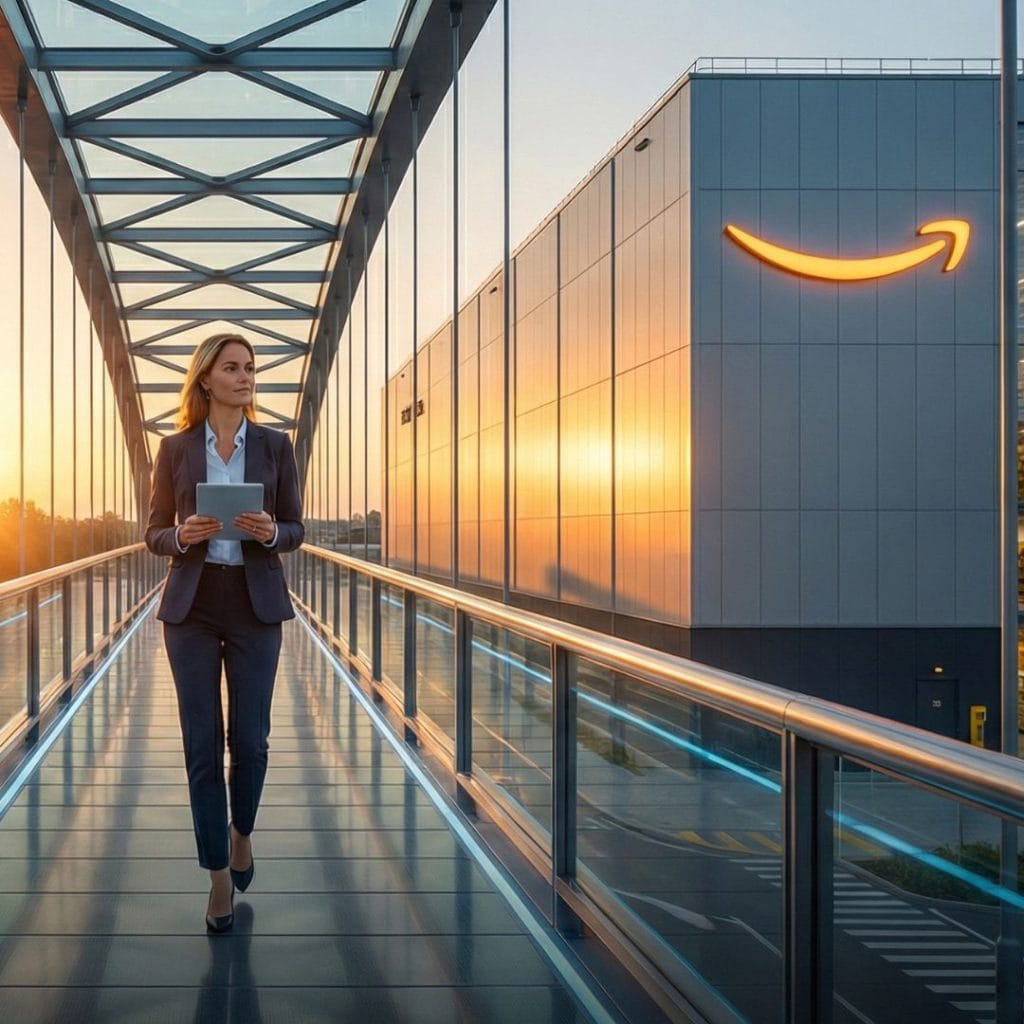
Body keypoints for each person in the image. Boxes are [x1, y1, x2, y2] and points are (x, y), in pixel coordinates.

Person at [145, 332, 304, 933]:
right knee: (201, 746)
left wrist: (269, 532)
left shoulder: (275, 446)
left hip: (254, 604)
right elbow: (154, 531)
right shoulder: (176, 449)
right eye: (232, 367)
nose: (245, 376)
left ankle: (242, 834)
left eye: (250, 368)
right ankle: (217, 877)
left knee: (252, 741)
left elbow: (296, 527)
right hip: (192, 607)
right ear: (205, 379)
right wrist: (181, 537)